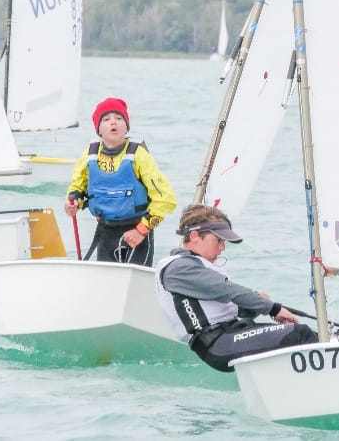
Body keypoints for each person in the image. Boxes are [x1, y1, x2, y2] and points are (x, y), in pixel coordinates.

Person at [155, 204, 318, 372]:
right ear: (194, 236)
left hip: (232, 333)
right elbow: (229, 290)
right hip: (217, 343)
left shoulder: (197, 266)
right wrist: (272, 308)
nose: (222, 247)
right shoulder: (178, 268)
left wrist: (256, 305)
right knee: (300, 334)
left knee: (313, 335)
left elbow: (231, 306)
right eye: (219, 240)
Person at [65, 97, 176, 266]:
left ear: (126, 126)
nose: (113, 122)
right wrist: (72, 204)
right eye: (106, 119)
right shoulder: (90, 154)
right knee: (106, 280)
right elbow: (77, 189)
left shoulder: (139, 155)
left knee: (134, 280)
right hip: (105, 231)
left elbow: (166, 200)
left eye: (119, 118)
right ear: (98, 129)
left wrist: (141, 230)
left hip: (137, 230)